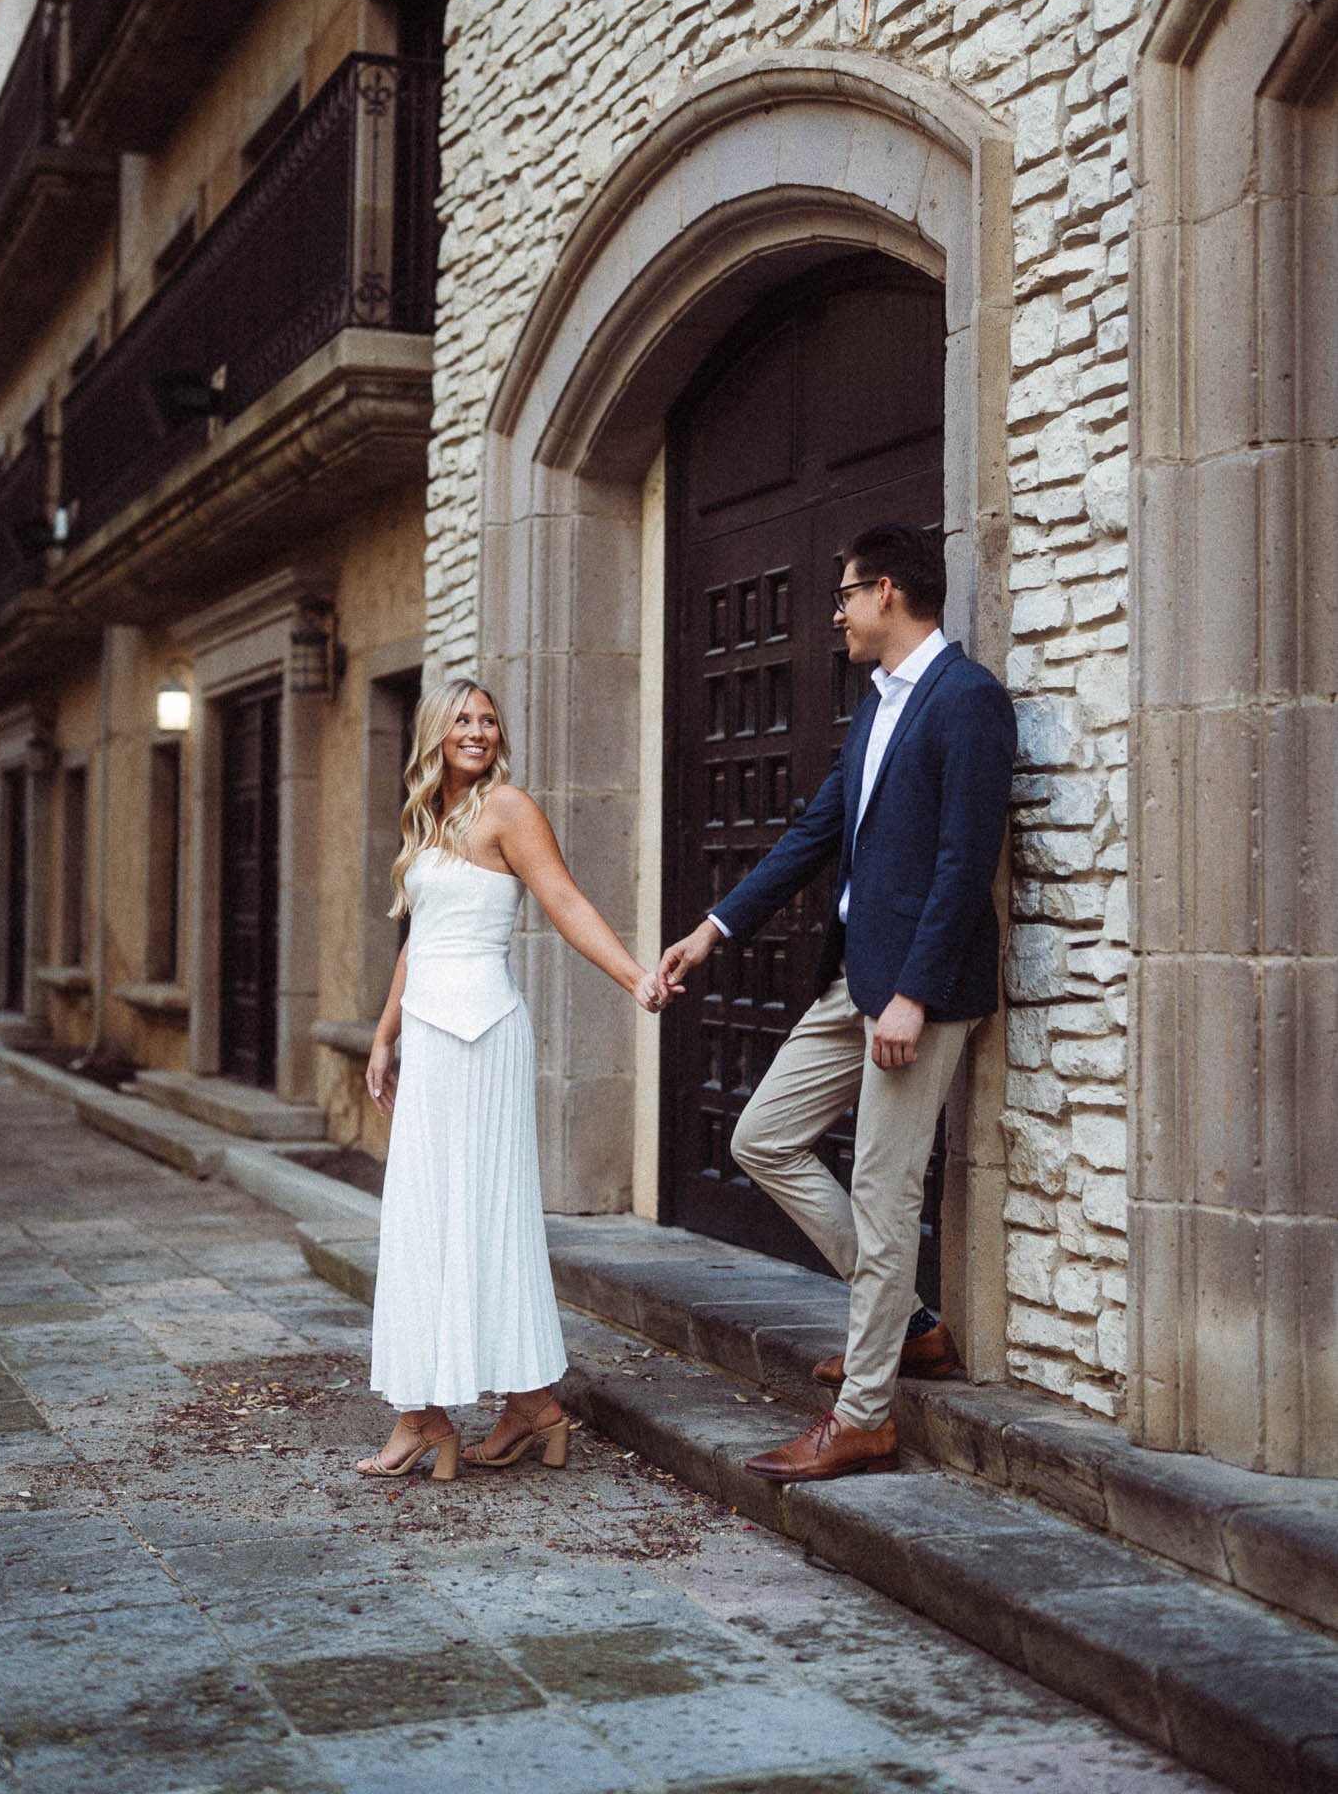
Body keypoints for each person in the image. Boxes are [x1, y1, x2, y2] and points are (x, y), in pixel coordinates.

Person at [658, 524, 1015, 1483]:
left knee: (885, 1192)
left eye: (846, 594)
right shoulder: (878, 708)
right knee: (761, 1137)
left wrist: (911, 996)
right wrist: (713, 928)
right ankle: (906, 1325)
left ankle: (862, 1416)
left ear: (887, 592)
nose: (837, 613)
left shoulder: (968, 700)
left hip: (915, 994)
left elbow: (963, 864)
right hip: (852, 978)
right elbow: (814, 831)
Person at [359, 678, 662, 1481]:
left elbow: (563, 898)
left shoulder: (510, 810)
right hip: (427, 1032)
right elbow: (418, 943)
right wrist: (384, 1036)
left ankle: (441, 1415)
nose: (478, 730)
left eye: (488, 720)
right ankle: (516, 1407)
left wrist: (633, 978)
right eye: (462, 719)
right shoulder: (427, 819)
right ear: (434, 732)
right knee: (426, 1215)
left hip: (485, 1034)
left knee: (485, 1211)